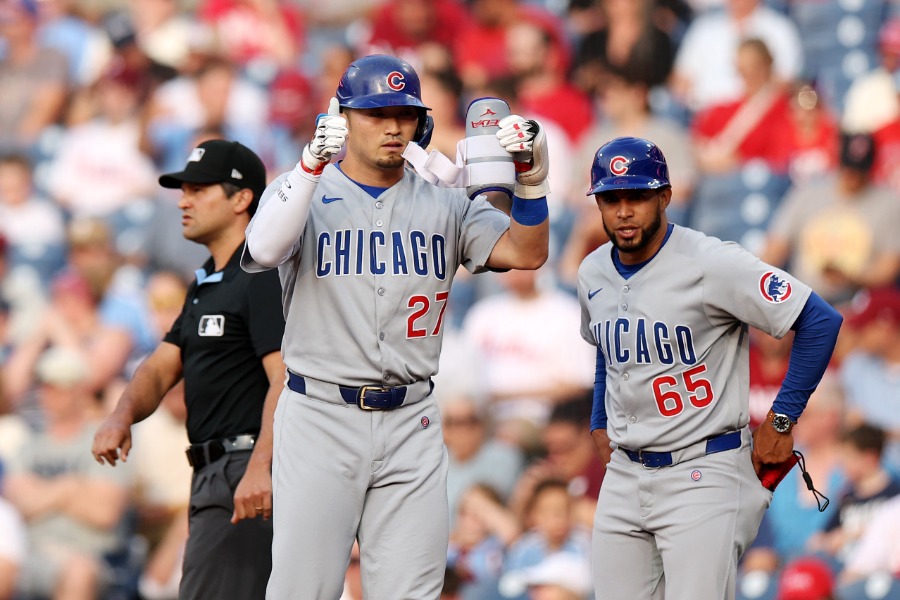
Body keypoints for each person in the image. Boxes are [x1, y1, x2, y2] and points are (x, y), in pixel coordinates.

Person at [241, 54, 551, 599]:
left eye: (404, 114)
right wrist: (309, 166)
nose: (392, 127)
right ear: (342, 118)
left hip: (412, 417)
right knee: (301, 589)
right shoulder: (303, 189)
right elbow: (263, 249)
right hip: (320, 414)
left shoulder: (446, 200)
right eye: (375, 113)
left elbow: (526, 253)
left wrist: (531, 179)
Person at [577, 136, 843, 599]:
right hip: (625, 474)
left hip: (702, 469)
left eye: (637, 196)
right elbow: (606, 348)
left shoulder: (711, 262)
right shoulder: (592, 271)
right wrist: (599, 419)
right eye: (611, 199)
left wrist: (782, 418)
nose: (624, 211)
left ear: (665, 196)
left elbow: (819, 320)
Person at [91, 139, 287, 599]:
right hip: (215, 472)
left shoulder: (261, 274)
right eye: (183, 191)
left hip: (247, 469)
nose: (183, 201)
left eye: (199, 190)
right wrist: (121, 415)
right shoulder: (208, 281)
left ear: (241, 199)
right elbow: (161, 366)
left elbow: (286, 379)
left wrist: (261, 466)